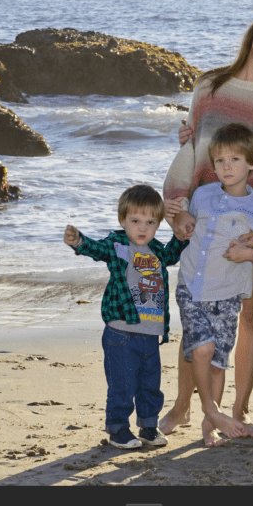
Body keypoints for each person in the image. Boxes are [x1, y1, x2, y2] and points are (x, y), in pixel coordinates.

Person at [159, 6, 253, 435]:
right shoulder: (211, 84)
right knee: (198, 314)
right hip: (205, 220)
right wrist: (178, 205)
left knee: (250, 312)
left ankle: (238, 409)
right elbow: (194, 148)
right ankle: (185, 405)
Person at [170, 123, 253, 447]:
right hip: (192, 288)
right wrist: (179, 222)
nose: (226, 167)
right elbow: (185, 229)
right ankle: (211, 408)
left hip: (227, 296)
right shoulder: (202, 195)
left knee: (218, 363)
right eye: (220, 161)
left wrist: (248, 253)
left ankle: (211, 424)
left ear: (251, 163)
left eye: (235, 160)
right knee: (203, 349)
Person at [63, 184, 188, 449]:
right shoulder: (118, 246)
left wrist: (182, 235)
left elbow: (172, 255)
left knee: (150, 385)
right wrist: (79, 242)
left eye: (150, 222)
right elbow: (97, 249)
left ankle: (148, 427)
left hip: (150, 335)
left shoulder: (155, 250)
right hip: (121, 333)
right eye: (135, 221)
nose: (142, 228)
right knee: (122, 385)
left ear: (157, 224)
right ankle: (118, 429)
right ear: (123, 220)